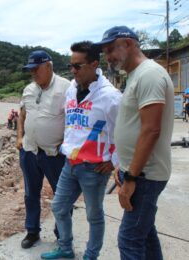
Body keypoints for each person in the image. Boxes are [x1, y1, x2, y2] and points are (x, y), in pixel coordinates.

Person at [95, 26, 174, 260]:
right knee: (145, 233)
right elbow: (134, 125)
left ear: (129, 44)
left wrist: (131, 177)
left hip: (145, 175)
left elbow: (151, 130)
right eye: (105, 52)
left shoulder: (149, 74)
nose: (108, 57)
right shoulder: (135, 75)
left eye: (111, 49)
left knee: (129, 239)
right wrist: (124, 165)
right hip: (137, 171)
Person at [40, 41, 122, 260]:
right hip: (71, 163)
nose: (73, 71)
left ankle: (91, 255)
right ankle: (65, 249)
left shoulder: (111, 97)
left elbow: (123, 132)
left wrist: (114, 161)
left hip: (95, 168)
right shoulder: (71, 90)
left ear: (94, 64)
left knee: (94, 216)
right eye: (71, 66)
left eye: (78, 66)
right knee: (58, 207)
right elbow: (71, 123)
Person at [17, 50, 70, 249]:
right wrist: (19, 137)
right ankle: (32, 231)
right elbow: (22, 115)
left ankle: (62, 235)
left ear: (49, 66)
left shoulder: (66, 87)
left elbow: (73, 119)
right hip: (30, 151)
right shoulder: (29, 89)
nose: (33, 73)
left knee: (62, 195)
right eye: (30, 70)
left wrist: (66, 143)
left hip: (54, 154)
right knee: (31, 193)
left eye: (36, 69)